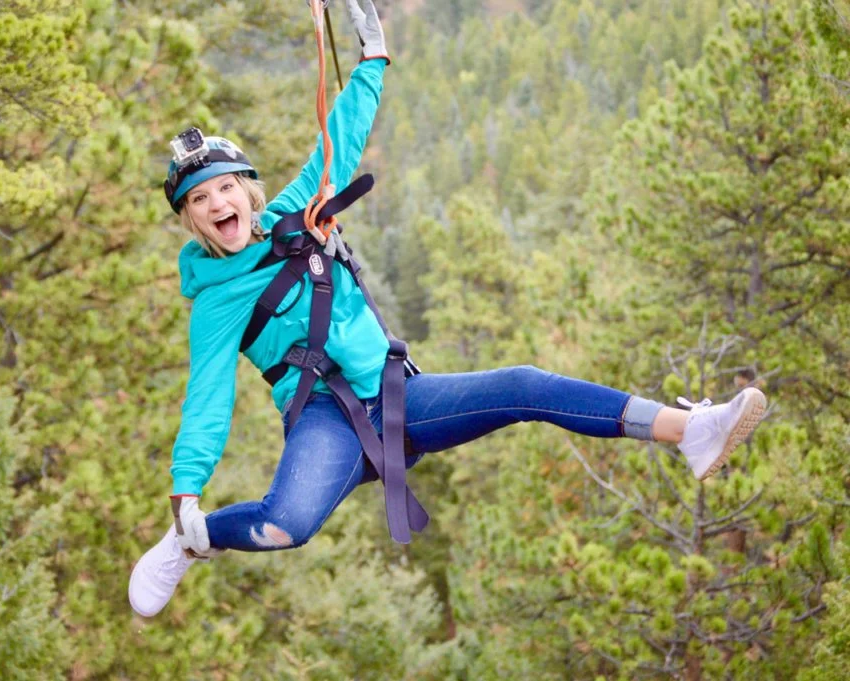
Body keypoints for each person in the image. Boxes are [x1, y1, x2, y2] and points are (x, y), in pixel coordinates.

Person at [128, 0, 768, 618]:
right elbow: (207, 397)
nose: (216, 204)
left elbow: (341, 136)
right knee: (285, 524)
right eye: (199, 200)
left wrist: (373, 58)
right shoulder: (214, 302)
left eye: (224, 189)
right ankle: (192, 541)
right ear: (190, 219)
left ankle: (692, 433)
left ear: (247, 191)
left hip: (397, 394)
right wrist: (187, 494)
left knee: (524, 386)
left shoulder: (298, 212)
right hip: (326, 418)